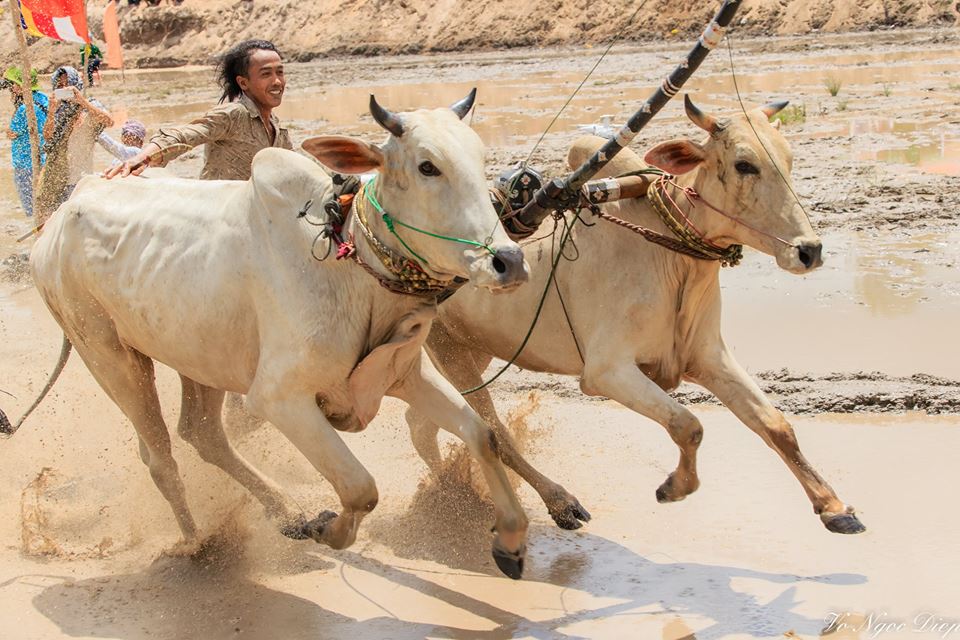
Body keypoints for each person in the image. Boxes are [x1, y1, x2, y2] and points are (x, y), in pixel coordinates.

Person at [107, 39, 291, 181]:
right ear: (243, 82)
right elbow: (183, 136)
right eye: (266, 74)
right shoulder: (233, 115)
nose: (276, 81)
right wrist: (143, 158)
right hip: (219, 217)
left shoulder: (277, 128)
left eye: (280, 72)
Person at [34, 66, 114, 221]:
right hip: (57, 177)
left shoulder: (91, 106)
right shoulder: (57, 111)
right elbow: (48, 137)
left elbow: (109, 121)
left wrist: (82, 102)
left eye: (67, 85)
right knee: (52, 222)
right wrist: (51, 112)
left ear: (76, 85)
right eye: (60, 86)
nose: (64, 89)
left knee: (79, 224)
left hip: (80, 178)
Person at [3, 66, 48, 218]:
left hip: (25, 163)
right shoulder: (43, 98)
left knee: (32, 209)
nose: (13, 88)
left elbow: (12, 132)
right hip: (42, 158)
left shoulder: (24, 108)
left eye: (15, 84)